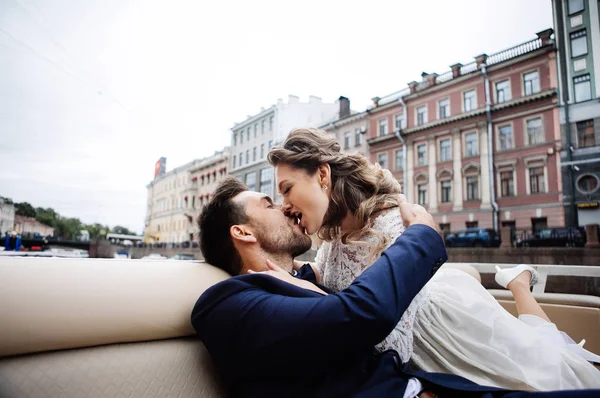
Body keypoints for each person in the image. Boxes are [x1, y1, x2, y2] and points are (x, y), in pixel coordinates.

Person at [191, 176, 598, 398]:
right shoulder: (227, 307)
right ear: (242, 232)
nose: (282, 207)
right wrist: (420, 234)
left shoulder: (296, 280)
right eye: (268, 203)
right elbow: (354, 317)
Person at [264, 128, 600, 391]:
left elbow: (386, 342)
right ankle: (517, 283)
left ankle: (518, 283)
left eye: (287, 188)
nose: (283, 205)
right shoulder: (335, 235)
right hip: (428, 342)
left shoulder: (396, 223)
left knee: (548, 372)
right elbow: (334, 276)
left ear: (322, 175)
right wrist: (287, 268)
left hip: (451, 338)